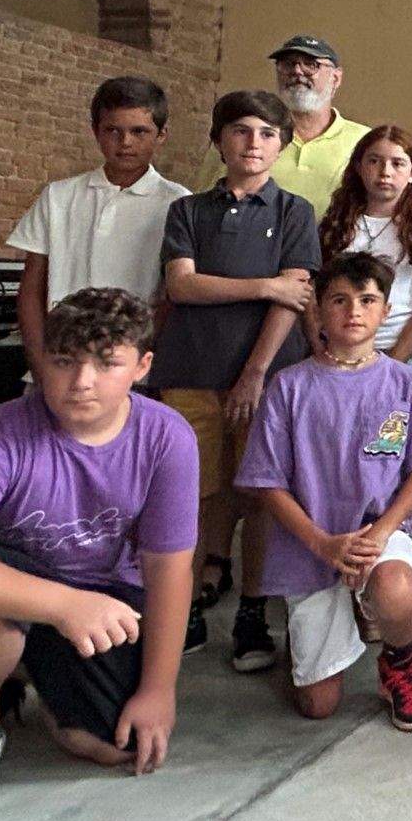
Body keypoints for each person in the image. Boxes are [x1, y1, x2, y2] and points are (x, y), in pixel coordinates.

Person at [0, 289, 198, 821]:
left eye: (107, 364)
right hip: (11, 585)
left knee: (114, 743)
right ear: (41, 360)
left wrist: (157, 689)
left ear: (142, 366)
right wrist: (60, 603)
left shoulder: (166, 437)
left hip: (105, 595)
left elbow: (169, 568)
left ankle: (34, 677)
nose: (82, 381)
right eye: (64, 361)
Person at [235, 254, 412, 732]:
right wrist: (321, 543)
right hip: (308, 540)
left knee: (396, 589)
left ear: (384, 310)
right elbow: (267, 483)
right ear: (317, 309)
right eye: (339, 300)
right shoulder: (288, 387)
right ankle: (312, 633)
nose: (353, 311)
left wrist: (381, 534)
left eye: (366, 300)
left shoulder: (405, 383)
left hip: (378, 530)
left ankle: (400, 662)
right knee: (318, 706)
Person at [155, 91, 319, 671]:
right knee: (192, 496)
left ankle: (253, 611)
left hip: (266, 377)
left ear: (282, 143)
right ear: (219, 139)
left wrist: (254, 373)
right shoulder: (187, 211)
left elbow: (294, 298)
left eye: (268, 133)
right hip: (190, 372)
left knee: (260, 496)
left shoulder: (294, 211)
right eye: (241, 131)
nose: (254, 143)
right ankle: (185, 610)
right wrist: (263, 284)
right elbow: (182, 286)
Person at [8, 77, 189, 376]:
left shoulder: (179, 203)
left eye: (139, 131)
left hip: (131, 369)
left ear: (161, 135)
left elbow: (172, 297)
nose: (125, 142)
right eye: (113, 130)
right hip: (59, 360)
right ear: (96, 131)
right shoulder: (59, 196)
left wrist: (136, 360)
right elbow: (31, 289)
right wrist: (40, 363)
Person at [318, 126, 412, 365]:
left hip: (398, 352)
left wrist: (392, 366)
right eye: (374, 161)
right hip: (335, 351)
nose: (385, 172)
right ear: (359, 167)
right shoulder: (334, 225)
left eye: (397, 163)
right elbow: (312, 292)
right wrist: (322, 349)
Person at [194, 36, 369, 217]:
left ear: (336, 77)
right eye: (288, 64)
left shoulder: (365, 142)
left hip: (333, 244)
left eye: (311, 64)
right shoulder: (243, 137)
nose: (297, 71)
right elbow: (203, 203)